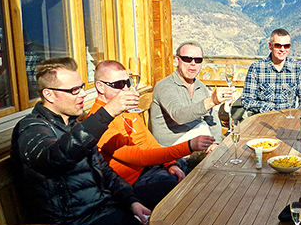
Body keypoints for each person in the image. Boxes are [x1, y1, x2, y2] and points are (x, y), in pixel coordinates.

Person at [11, 57, 210, 225]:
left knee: (174, 202)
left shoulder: (73, 124)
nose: (82, 94)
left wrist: (132, 201)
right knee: (168, 219)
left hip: (103, 210)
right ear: (49, 95)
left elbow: (104, 172)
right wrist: (107, 112)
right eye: (73, 90)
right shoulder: (30, 129)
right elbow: (56, 157)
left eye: (81, 87)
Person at [88, 60, 216, 209]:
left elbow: (150, 142)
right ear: (100, 87)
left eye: (127, 82)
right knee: (180, 188)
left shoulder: (127, 110)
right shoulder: (97, 122)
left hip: (151, 169)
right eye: (118, 85)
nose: (125, 89)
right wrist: (189, 146)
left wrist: (171, 164)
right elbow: (138, 158)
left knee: (198, 173)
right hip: (129, 184)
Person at [150, 41, 231, 147]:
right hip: (172, 152)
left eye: (198, 60)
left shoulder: (200, 86)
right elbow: (178, 116)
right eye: (187, 59)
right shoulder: (165, 86)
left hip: (197, 145)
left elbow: (211, 119)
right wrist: (211, 101)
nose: (193, 63)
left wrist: (215, 144)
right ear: (177, 60)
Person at [241, 28, 301, 114]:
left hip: (288, 119)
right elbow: (247, 100)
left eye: (286, 46)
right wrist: (267, 109)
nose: (282, 49)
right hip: (263, 119)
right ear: (270, 46)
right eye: (278, 45)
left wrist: (296, 117)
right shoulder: (256, 68)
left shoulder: (298, 68)